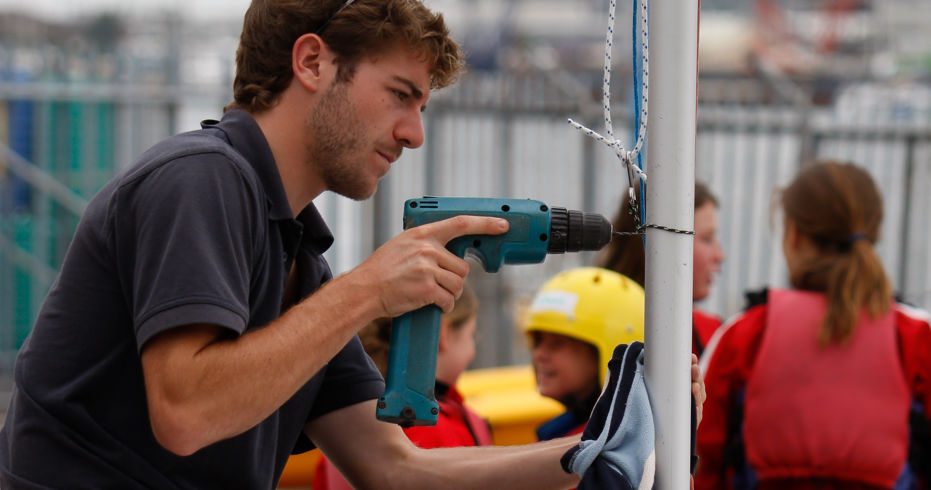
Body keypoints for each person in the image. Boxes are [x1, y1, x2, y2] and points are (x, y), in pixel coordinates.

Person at [0, 1, 583, 488]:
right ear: (311, 62)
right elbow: (186, 412)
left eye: (422, 107)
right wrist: (368, 291)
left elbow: (395, 467)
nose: (414, 134)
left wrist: (603, 451)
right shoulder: (199, 179)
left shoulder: (301, 263)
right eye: (400, 94)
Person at [695, 160, 931, 490]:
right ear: (874, 232)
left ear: (792, 235)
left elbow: (701, 460)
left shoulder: (744, 336)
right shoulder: (916, 339)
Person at [313, 281, 492, 489]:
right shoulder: (430, 425)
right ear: (443, 333)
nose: (473, 350)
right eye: (472, 336)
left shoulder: (345, 422)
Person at [597, 181, 725, 357]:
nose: (719, 256)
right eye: (706, 239)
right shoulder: (591, 320)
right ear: (660, 243)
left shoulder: (714, 335)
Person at [523, 267, 646, 440]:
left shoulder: (604, 450)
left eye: (557, 343)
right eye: (538, 341)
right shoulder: (563, 432)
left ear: (609, 354)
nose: (539, 355)